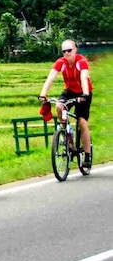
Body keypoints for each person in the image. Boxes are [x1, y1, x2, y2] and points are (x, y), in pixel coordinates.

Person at [39, 39, 93, 168]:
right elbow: (51, 77)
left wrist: (85, 93)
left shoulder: (81, 62)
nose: (67, 53)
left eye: (69, 50)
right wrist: (43, 94)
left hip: (83, 93)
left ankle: (87, 155)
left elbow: (83, 78)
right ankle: (66, 134)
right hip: (69, 91)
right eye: (64, 51)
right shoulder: (61, 63)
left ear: (75, 49)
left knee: (82, 121)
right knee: (59, 106)